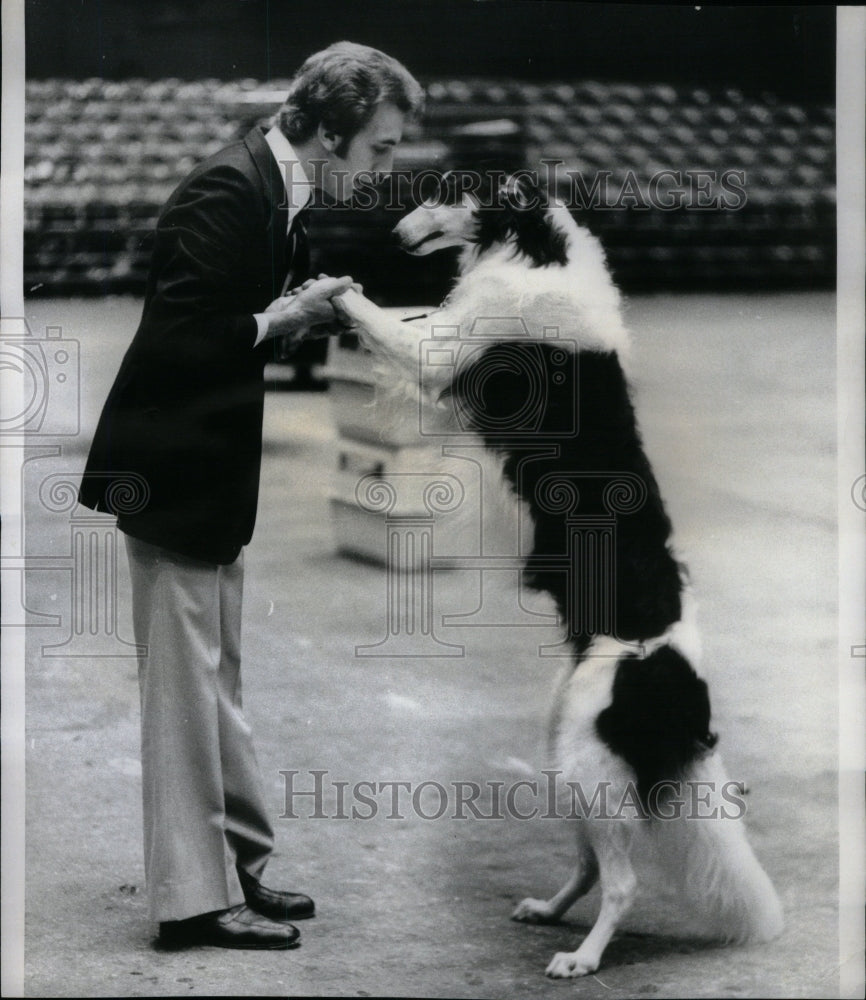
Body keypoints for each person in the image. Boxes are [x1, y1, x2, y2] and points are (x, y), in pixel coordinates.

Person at [78, 42, 424, 950]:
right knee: (185, 695)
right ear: (328, 129)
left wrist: (297, 304)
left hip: (209, 467)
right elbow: (181, 340)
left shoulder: (279, 190)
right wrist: (287, 316)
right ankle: (191, 903)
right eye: (380, 150)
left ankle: (239, 867)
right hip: (172, 470)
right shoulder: (226, 189)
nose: (386, 170)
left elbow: (227, 321)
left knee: (217, 676)